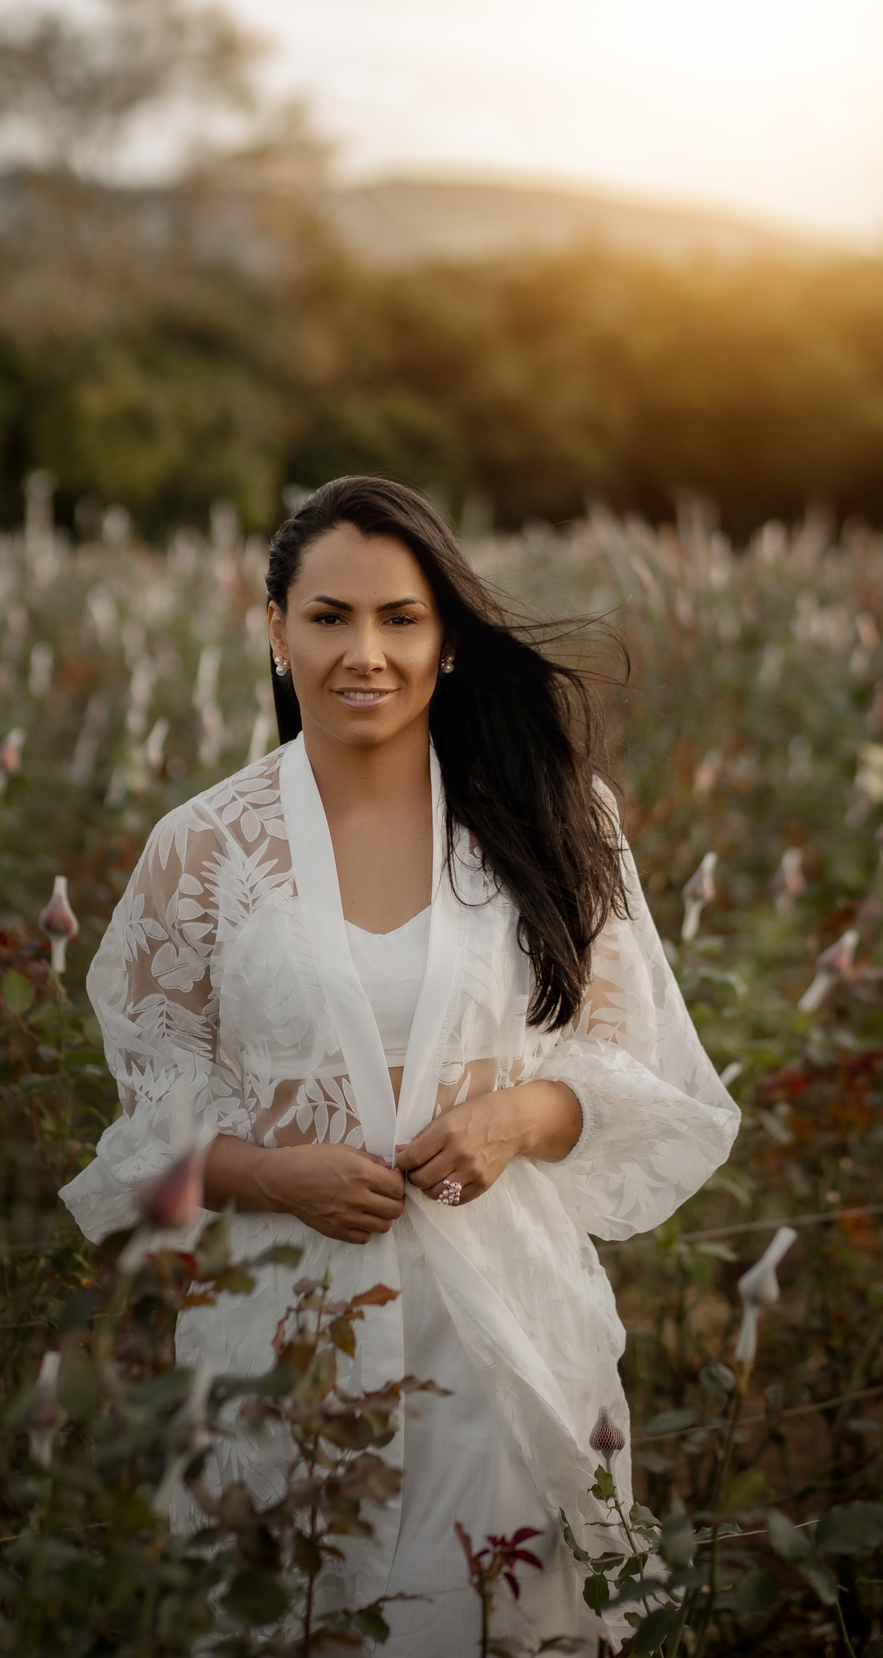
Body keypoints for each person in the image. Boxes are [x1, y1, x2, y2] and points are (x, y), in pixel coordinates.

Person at [60, 476, 739, 1654]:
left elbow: (643, 1072)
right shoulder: (204, 849)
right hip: (287, 1341)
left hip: (503, 1332)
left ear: (449, 638)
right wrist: (274, 1177)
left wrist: (520, 1114)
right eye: (328, 617)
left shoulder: (553, 817)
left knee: (503, 1615)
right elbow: (143, 1147)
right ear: (275, 629)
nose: (363, 652)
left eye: (399, 617)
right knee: (303, 1614)